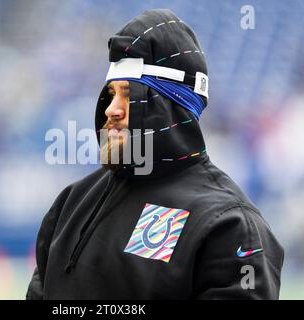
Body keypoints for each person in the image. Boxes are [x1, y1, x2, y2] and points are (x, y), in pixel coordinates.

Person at [26, 8, 284, 300]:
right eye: (110, 95)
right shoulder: (71, 203)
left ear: (167, 105)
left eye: (128, 94)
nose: (112, 109)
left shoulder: (230, 225)